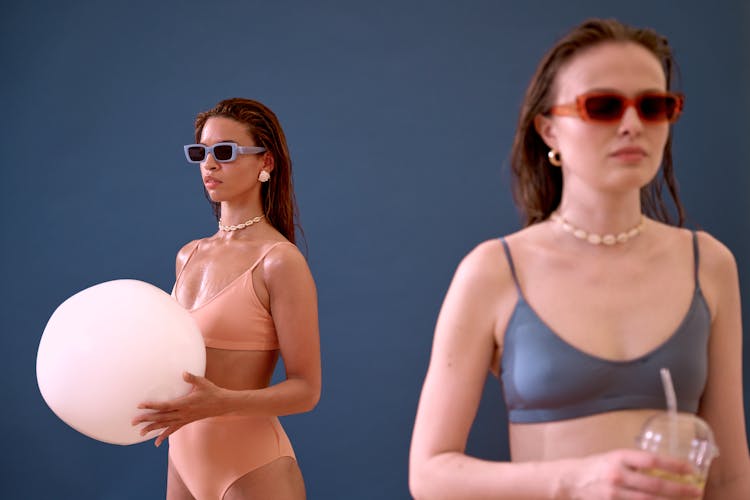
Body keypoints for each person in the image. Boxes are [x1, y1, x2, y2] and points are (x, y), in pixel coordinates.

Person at [409, 18, 749, 499]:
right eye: (603, 106)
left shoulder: (709, 263)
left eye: (654, 106)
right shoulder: (495, 270)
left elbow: (731, 474)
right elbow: (429, 476)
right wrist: (577, 479)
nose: (632, 124)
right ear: (548, 129)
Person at [132, 98, 321, 500]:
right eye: (201, 153)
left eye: (224, 152)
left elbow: (306, 390)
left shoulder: (279, 261)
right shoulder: (188, 255)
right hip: (183, 463)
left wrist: (221, 402)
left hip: (253, 469)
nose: (209, 165)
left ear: (265, 162)